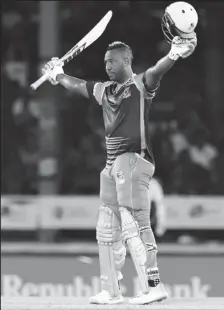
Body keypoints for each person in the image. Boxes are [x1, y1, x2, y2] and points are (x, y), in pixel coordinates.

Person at [42, 34, 197, 304]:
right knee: (106, 228)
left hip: (134, 160)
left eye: (112, 61)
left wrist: (174, 53)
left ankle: (153, 286)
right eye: (105, 62)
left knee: (135, 223)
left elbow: (157, 70)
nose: (107, 66)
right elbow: (80, 86)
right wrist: (58, 76)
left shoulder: (140, 85)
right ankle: (110, 291)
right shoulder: (105, 90)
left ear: (127, 61)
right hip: (112, 165)